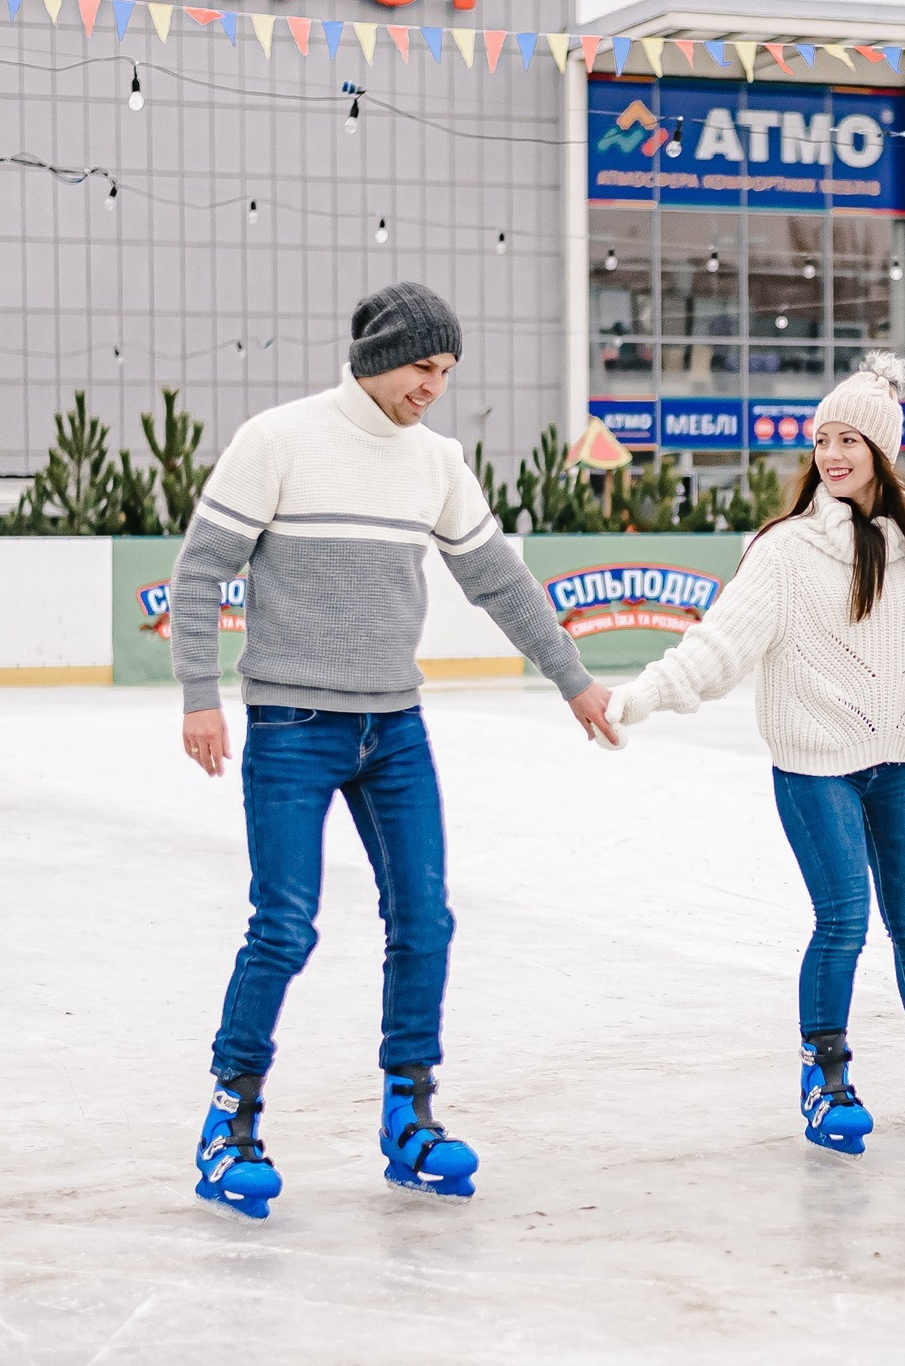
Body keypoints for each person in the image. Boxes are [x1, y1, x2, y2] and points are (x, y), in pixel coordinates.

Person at [170, 282, 613, 1219]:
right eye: (424, 367)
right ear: (377, 357)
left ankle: (409, 1116)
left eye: (448, 372)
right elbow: (202, 569)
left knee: (425, 918)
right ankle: (228, 1121)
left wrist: (572, 677)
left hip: (394, 727)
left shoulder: (436, 462)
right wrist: (200, 698)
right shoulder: (279, 440)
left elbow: (499, 579)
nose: (435, 388)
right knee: (284, 926)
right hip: (292, 724)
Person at [598, 352, 905, 1158]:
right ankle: (824, 1076)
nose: (833, 454)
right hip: (813, 767)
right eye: (823, 439)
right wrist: (640, 696)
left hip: (903, 764)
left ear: (883, 452)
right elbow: (719, 646)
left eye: (850, 438)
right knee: (845, 921)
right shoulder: (784, 551)